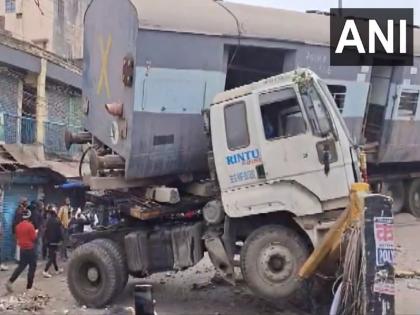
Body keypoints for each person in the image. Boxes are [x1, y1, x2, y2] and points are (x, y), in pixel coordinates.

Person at [5, 209, 37, 292]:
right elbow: (33, 238)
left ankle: (10, 281)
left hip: (22, 249)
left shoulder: (18, 226)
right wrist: (36, 232)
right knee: (32, 267)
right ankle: (29, 287)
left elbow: (18, 237)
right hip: (30, 249)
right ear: (29, 216)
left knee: (21, 266)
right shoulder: (30, 226)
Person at [43, 207, 63, 278]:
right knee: (52, 257)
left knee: (53, 256)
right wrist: (61, 239)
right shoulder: (57, 220)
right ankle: (45, 271)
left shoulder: (47, 221)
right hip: (55, 241)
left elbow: (45, 231)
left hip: (48, 241)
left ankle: (57, 270)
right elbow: (60, 231)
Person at [13, 197, 29, 262]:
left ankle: (19, 258)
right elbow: (17, 221)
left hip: (21, 229)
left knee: (20, 244)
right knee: (19, 244)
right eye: (26, 202)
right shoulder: (19, 210)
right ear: (23, 202)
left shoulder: (22, 209)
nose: (27, 203)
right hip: (19, 229)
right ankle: (18, 259)